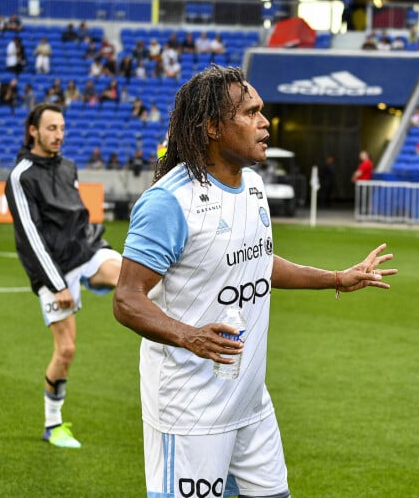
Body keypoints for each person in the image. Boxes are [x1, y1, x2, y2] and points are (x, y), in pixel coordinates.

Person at [112, 65, 398, 497]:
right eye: (251, 112)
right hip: (191, 409)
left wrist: (337, 277)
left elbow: (257, 262)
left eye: (262, 111)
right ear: (211, 127)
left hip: (249, 401)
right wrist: (190, 337)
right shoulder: (170, 202)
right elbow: (127, 299)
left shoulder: (253, 186)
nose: (264, 122)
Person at [4, 103, 122, 449]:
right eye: (51, 128)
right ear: (33, 131)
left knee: (133, 275)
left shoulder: (69, 166)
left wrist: (101, 246)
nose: (58, 135)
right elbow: (30, 237)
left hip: (85, 253)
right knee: (66, 350)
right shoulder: (20, 176)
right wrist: (56, 285)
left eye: (62, 128)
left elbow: (78, 218)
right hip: (52, 270)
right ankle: (53, 425)